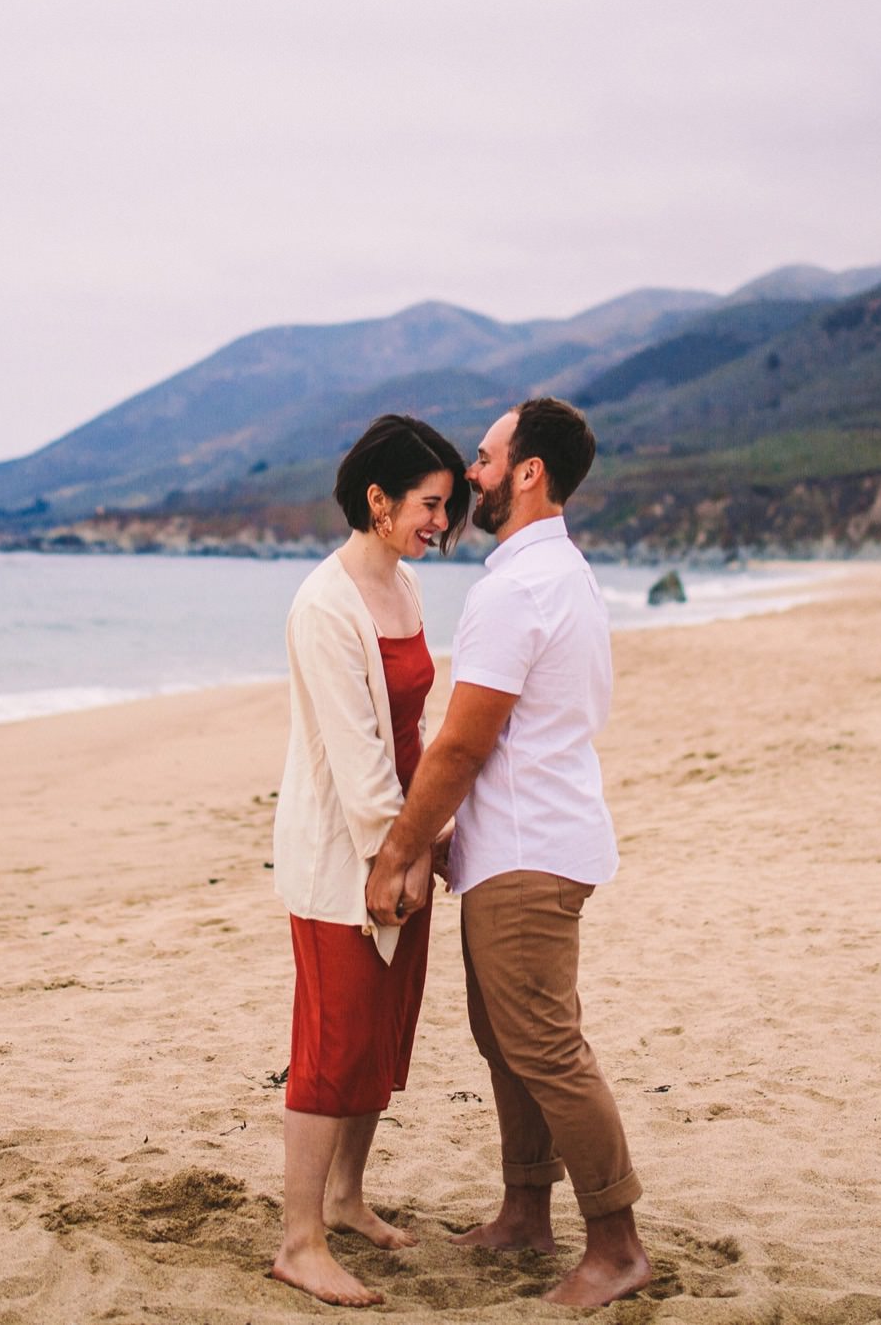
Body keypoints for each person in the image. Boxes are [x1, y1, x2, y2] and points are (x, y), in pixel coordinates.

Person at [367, 396, 652, 1308]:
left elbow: (462, 744)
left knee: (546, 1048)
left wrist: (397, 851)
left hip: (530, 857)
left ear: (529, 472)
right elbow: (525, 740)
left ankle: (616, 1245)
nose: (471, 476)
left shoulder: (515, 589)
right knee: (507, 1042)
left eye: (486, 460)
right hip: (525, 841)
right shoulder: (563, 575)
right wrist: (451, 842)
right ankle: (527, 1213)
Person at [269, 413, 471, 1308]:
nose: (443, 524)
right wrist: (402, 859)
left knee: (381, 1038)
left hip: (402, 845)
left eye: (450, 507)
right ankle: (298, 1239)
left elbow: (413, 731)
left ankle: (347, 1199)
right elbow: (357, 766)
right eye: (431, 506)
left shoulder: (403, 588)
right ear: (379, 500)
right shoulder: (325, 604)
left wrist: (435, 835)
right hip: (344, 858)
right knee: (332, 1045)